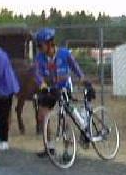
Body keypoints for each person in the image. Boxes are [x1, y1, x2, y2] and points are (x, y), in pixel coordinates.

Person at [33, 27, 86, 156]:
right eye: (38, 46)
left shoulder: (64, 53)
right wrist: (42, 83)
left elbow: (75, 66)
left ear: (49, 43)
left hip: (64, 87)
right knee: (43, 115)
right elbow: (37, 72)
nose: (39, 48)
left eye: (40, 45)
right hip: (50, 87)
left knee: (64, 117)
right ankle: (49, 147)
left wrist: (82, 78)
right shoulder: (40, 57)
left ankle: (67, 151)